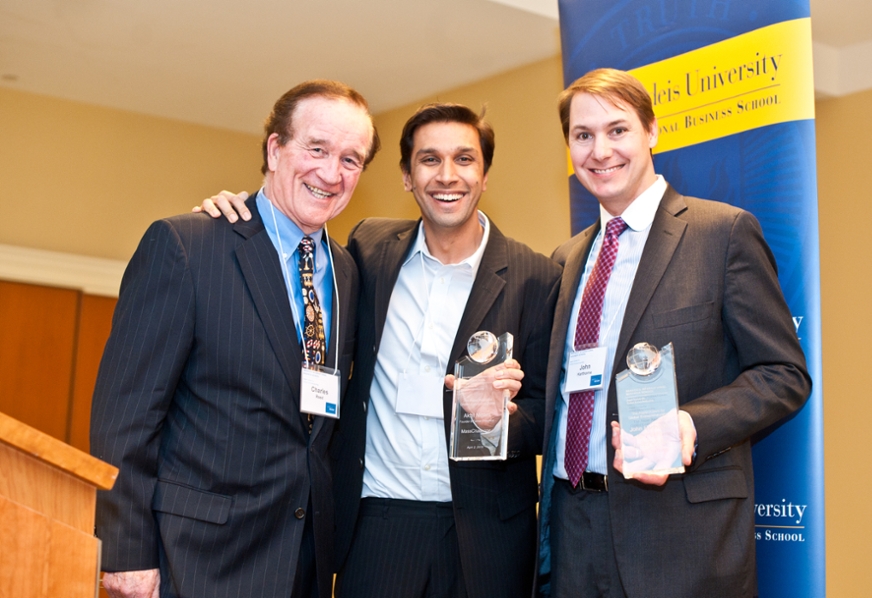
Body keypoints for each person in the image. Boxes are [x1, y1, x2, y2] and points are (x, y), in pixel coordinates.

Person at [199, 103, 561, 598]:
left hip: (484, 536)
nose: (447, 176)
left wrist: (499, 420)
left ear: (485, 174)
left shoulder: (535, 277)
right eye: (429, 160)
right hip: (376, 523)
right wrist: (233, 210)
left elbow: (549, 413)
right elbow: (290, 235)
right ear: (407, 177)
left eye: (464, 159)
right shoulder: (367, 250)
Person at [91, 79, 379, 598]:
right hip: (194, 559)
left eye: (351, 159)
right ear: (275, 149)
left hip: (301, 563)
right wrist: (125, 550)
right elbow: (125, 419)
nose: (332, 173)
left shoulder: (344, 272)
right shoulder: (187, 246)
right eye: (317, 149)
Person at [536, 68, 811, 598]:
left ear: (652, 132)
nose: (600, 151)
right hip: (573, 529)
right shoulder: (567, 259)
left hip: (680, 540)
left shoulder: (722, 232)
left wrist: (690, 423)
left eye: (618, 130)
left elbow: (784, 374)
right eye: (582, 135)